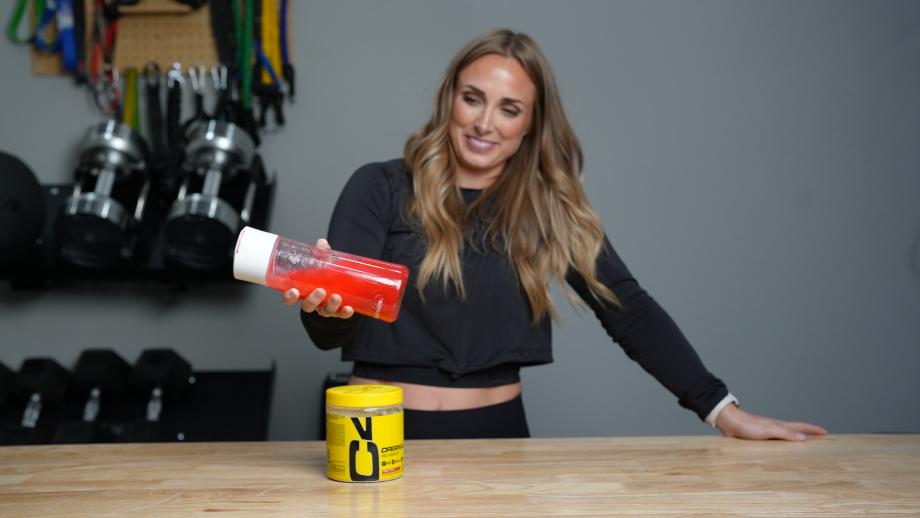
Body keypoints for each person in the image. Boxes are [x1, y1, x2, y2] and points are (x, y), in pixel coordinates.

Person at [284, 29, 827, 441]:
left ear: (529, 126)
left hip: (499, 435)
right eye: (473, 98)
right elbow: (330, 322)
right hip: (375, 432)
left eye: (509, 109)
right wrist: (325, 309)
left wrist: (723, 412)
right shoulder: (378, 186)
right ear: (449, 98)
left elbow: (628, 310)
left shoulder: (546, 209)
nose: (485, 123)